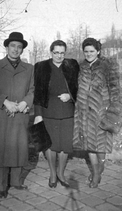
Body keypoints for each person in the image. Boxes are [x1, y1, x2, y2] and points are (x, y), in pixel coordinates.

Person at [0, 32, 34, 198]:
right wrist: (5, 102)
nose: (15, 49)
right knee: (1, 148)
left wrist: (24, 103)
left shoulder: (29, 69)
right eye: (13, 46)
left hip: (20, 114)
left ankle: (16, 182)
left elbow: (33, 90)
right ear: (7, 47)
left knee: (19, 147)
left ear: (22, 50)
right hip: (1, 114)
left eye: (19, 47)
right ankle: (0, 186)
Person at [73, 37, 121, 188]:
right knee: (89, 146)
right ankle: (95, 175)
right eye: (86, 51)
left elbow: (115, 90)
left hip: (101, 112)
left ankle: (99, 170)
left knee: (101, 147)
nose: (88, 54)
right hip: (83, 113)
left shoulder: (107, 67)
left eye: (92, 51)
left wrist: (112, 110)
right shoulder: (81, 67)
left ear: (98, 51)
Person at [33, 40, 79, 188]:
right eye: (56, 52)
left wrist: (70, 96)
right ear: (51, 52)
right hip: (48, 112)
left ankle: (61, 173)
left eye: (62, 53)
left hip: (67, 112)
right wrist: (38, 114)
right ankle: (53, 174)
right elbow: (38, 92)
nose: (59, 56)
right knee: (50, 145)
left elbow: (80, 88)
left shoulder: (72, 65)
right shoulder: (41, 67)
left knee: (65, 145)